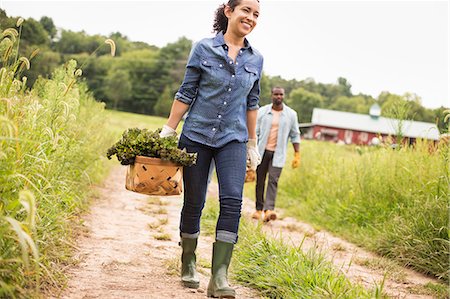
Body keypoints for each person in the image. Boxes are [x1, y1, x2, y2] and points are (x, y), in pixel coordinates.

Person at [159, 0, 263, 297]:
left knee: (232, 202)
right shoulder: (203, 48)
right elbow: (187, 91)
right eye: (246, 10)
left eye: (256, 15)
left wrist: (252, 144)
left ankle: (219, 276)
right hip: (196, 135)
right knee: (195, 202)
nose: (251, 18)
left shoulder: (256, 60)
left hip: (233, 139)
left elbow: (251, 103)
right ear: (229, 11)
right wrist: (170, 128)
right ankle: (188, 260)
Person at [252, 87, 301, 222]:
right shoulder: (262, 112)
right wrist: (250, 149)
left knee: (273, 181)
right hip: (261, 152)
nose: (278, 97)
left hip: (278, 154)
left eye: (281, 94)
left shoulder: (291, 115)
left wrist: (297, 154)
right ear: (271, 95)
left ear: (284, 96)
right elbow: (255, 132)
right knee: (260, 181)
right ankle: (258, 209)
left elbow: (295, 135)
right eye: (276, 94)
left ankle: (269, 210)